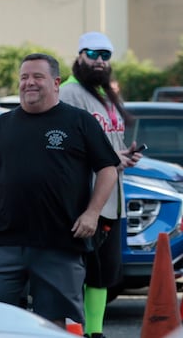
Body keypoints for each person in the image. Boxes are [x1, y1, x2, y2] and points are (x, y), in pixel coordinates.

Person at [0, 53, 120, 329]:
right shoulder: (2, 125)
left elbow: (108, 169)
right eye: (24, 77)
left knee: (53, 323)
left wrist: (93, 213)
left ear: (56, 82)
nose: (29, 83)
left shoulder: (79, 122)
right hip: (6, 241)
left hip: (60, 241)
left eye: (37, 77)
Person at [60, 32, 143, 338]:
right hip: (84, 200)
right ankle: (73, 330)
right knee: (75, 272)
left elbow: (111, 143)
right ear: (79, 55)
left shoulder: (105, 95)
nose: (98, 61)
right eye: (93, 54)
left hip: (111, 199)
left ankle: (94, 332)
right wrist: (110, 158)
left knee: (102, 274)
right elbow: (65, 148)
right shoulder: (69, 93)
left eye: (105, 56)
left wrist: (125, 156)